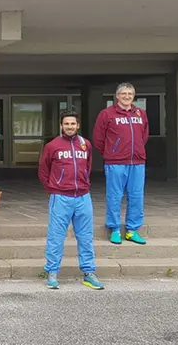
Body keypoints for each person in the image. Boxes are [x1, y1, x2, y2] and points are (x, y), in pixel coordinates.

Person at [39, 111, 105, 290]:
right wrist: (54, 188)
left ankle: (89, 273)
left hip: (83, 197)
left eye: (73, 124)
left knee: (86, 237)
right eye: (66, 124)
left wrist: (83, 184)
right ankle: (52, 272)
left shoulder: (86, 145)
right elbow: (43, 170)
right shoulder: (52, 146)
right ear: (61, 126)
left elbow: (87, 167)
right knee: (56, 237)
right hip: (61, 197)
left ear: (78, 125)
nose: (70, 127)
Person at [93, 82, 149, 245]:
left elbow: (144, 136)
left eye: (130, 94)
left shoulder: (140, 114)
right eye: (123, 94)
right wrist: (111, 152)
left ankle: (132, 231)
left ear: (134, 96)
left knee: (136, 196)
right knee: (114, 196)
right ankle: (115, 229)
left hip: (137, 162)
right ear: (117, 96)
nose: (127, 97)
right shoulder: (107, 114)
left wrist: (137, 150)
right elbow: (98, 138)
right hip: (115, 162)